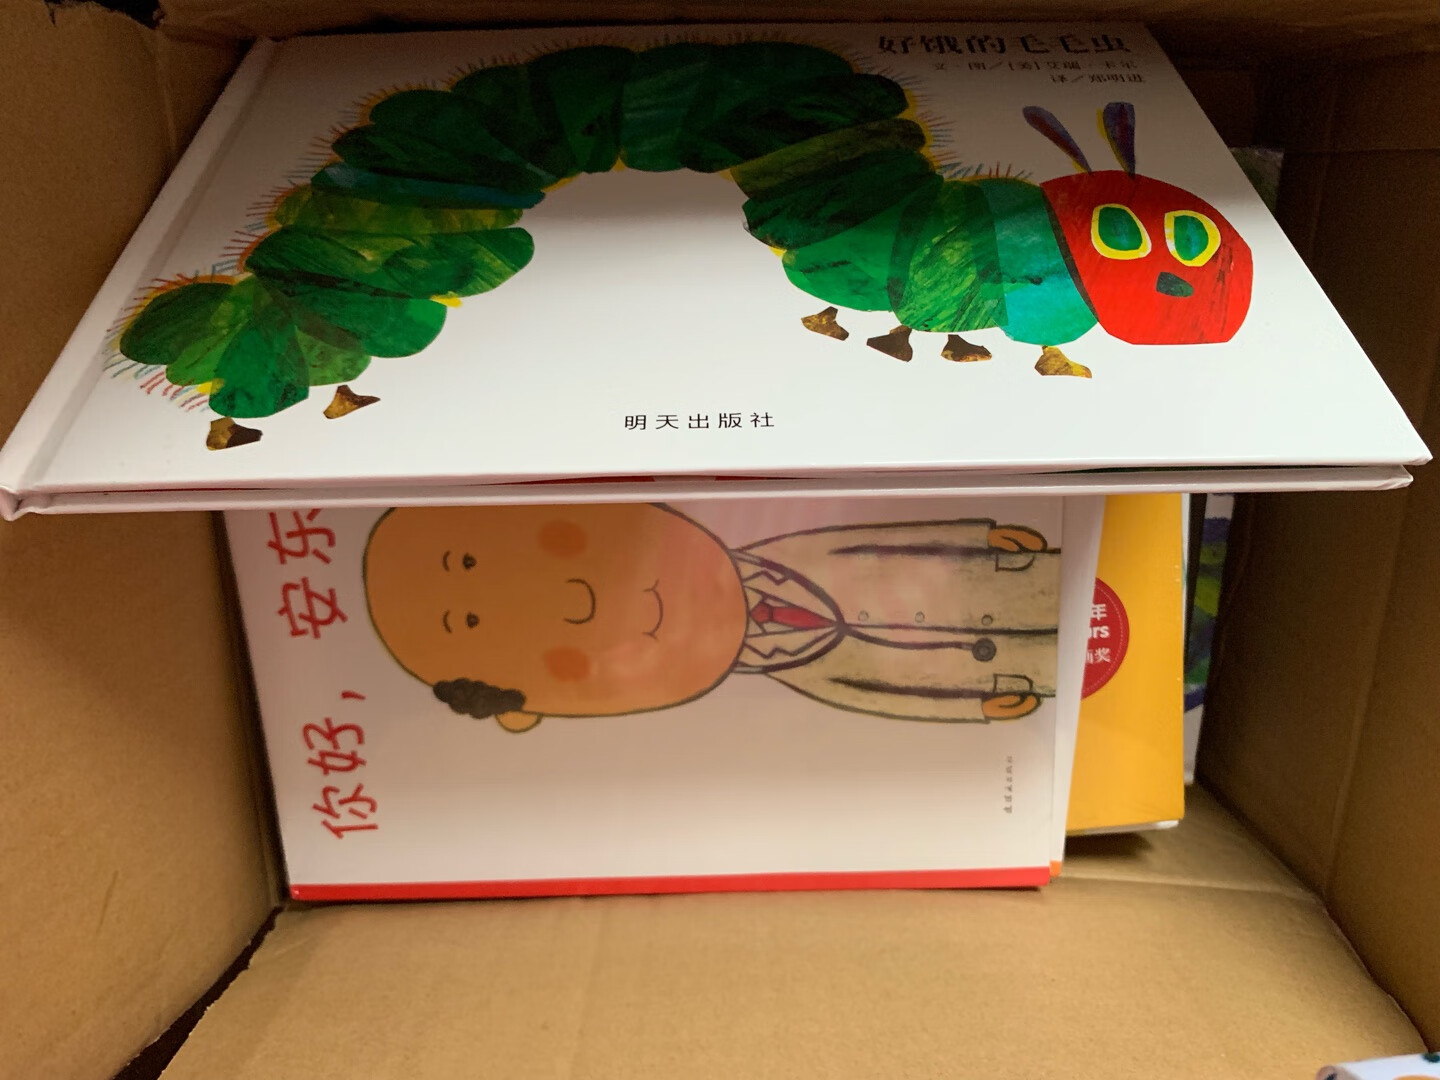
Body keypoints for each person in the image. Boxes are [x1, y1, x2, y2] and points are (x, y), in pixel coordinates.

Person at [363, 503, 1060, 732]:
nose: (576, 600)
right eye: (482, 624)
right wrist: (973, 705)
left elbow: (882, 546)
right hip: (1010, 676)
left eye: (477, 558)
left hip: (1009, 574)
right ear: (525, 711)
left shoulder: (809, 548)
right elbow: (880, 690)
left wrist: (976, 538)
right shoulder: (815, 680)